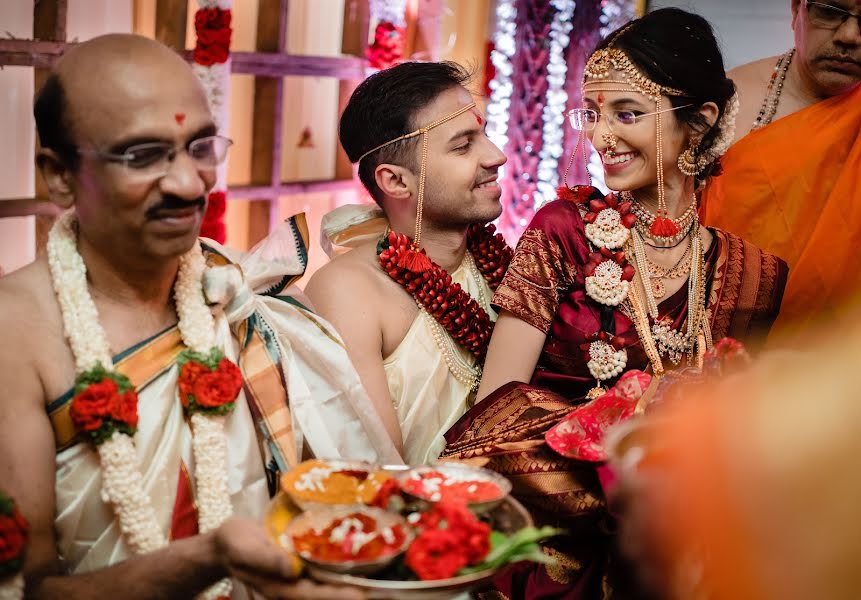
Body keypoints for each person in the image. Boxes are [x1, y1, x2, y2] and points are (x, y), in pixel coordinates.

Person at [0, 33, 399, 599]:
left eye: (201, 147)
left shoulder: (233, 293)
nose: (190, 184)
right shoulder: (14, 333)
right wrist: (212, 556)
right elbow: (28, 589)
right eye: (143, 155)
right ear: (59, 173)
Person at [442, 9, 788, 599]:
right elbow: (491, 417)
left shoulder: (754, 276)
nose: (601, 137)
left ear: (699, 121)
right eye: (594, 114)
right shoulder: (562, 230)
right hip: (555, 553)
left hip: (686, 562)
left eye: (627, 113)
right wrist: (617, 462)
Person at [305, 61, 511, 464]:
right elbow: (379, 473)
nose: (497, 156)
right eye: (463, 145)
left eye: (484, 135)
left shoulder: (505, 266)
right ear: (396, 181)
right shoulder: (348, 291)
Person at [701, 0, 861, 343]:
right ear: (796, 10)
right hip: (721, 353)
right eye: (832, 11)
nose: (850, 35)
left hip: (838, 363)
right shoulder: (727, 101)